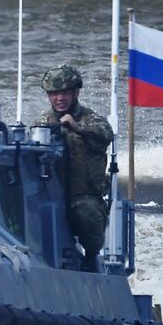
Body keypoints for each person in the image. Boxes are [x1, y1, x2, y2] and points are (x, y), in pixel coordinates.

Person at [33, 64, 114, 265]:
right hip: (50, 195)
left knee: (84, 213)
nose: (59, 99)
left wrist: (77, 128)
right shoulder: (42, 122)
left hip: (85, 196)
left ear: (76, 92)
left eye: (65, 93)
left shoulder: (90, 119)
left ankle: (91, 259)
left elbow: (105, 136)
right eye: (54, 94)